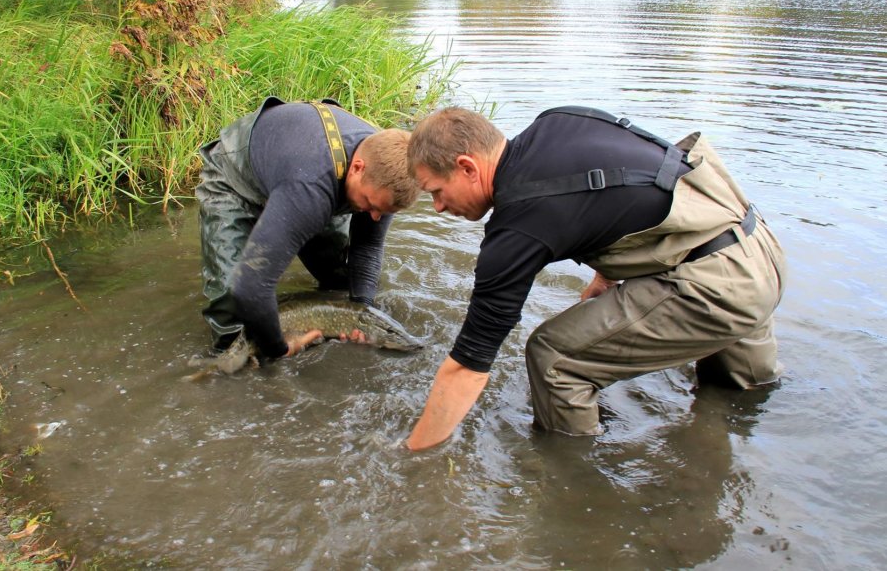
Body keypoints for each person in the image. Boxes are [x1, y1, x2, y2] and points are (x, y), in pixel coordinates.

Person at [405, 105, 787, 450]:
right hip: (756, 250)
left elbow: (467, 367)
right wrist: (605, 277)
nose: (439, 207)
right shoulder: (557, 121)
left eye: (437, 191)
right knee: (743, 397)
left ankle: (572, 475)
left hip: (716, 285)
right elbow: (626, 187)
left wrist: (413, 455)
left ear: (467, 167)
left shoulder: (517, 228)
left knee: (553, 356)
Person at [196, 96, 419, 359]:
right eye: (370, 205)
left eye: (384, 211)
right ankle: (226, 374)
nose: (374, 217)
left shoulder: (387, 174)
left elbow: (368, 247)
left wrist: (360, 312)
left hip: (301, 176)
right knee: (234, 311)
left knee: (341, 281)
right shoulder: (311, 188)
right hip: (235, 179)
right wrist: (278, 349)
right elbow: (251, 287)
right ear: (358, 168)